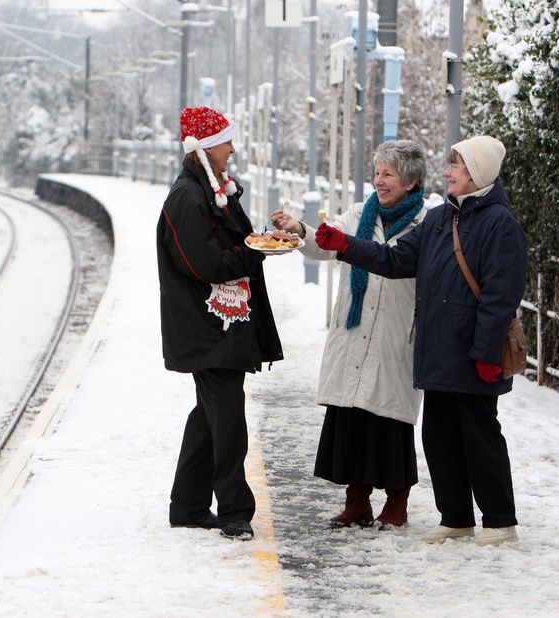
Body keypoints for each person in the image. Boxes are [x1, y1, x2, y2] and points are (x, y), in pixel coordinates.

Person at [314, 135, 527, 546]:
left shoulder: (500, 224)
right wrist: (346, 245)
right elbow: (395, 259)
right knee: (440, 437)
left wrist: (486, 354)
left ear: (478, 174)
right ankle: (456, 517)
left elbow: (501, 297)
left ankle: (500, 521)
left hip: (474, 354)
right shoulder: (440, 218)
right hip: (438, 351)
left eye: (456, 167)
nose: (447, 173)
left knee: (480, 438)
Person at [271, 140, 428, 529]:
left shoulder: (427, 222)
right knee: (353, 416)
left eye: (388, 174)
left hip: (395, 333)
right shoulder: (360, 214)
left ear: (409, 181)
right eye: (376, 173)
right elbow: (326, 241)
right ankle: (356, 502)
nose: (379, 181)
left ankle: (397, 503)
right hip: (354, 328)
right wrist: (299, 229)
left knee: (390, 421)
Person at [157, 106, 284, 540]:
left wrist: (258, 239)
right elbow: (205, 263)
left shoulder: (208, 192)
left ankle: (188, 506)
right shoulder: (187, 198)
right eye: (226, 141)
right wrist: (255, 251)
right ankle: (235, 512)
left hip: (219, 324)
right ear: (206, 148)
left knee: (209, 414)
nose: (233, 148)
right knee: (227, 417)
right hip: (207, 328)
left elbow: (224, 247)